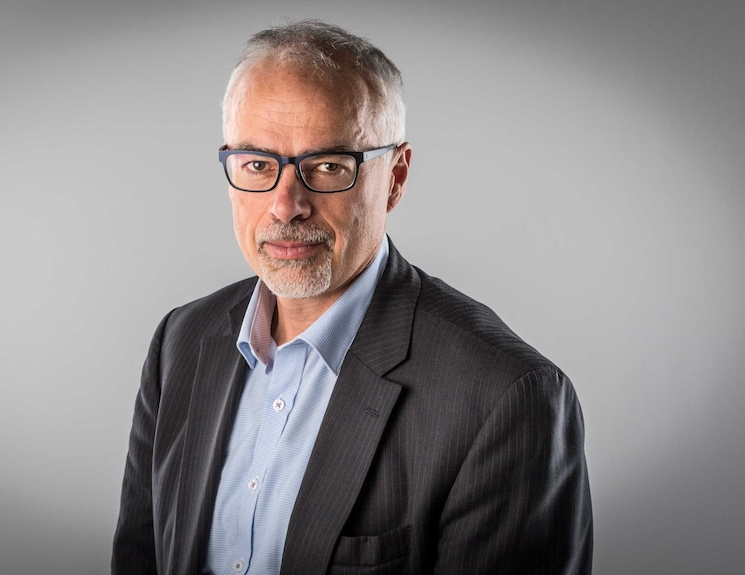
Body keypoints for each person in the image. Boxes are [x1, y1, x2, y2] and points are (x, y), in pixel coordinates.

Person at [112, 20, 592, 575]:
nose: (285, 205)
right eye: (257, 165)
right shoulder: (181, 342)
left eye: (328, 166)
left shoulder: (504, 397)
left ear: (395, 177)